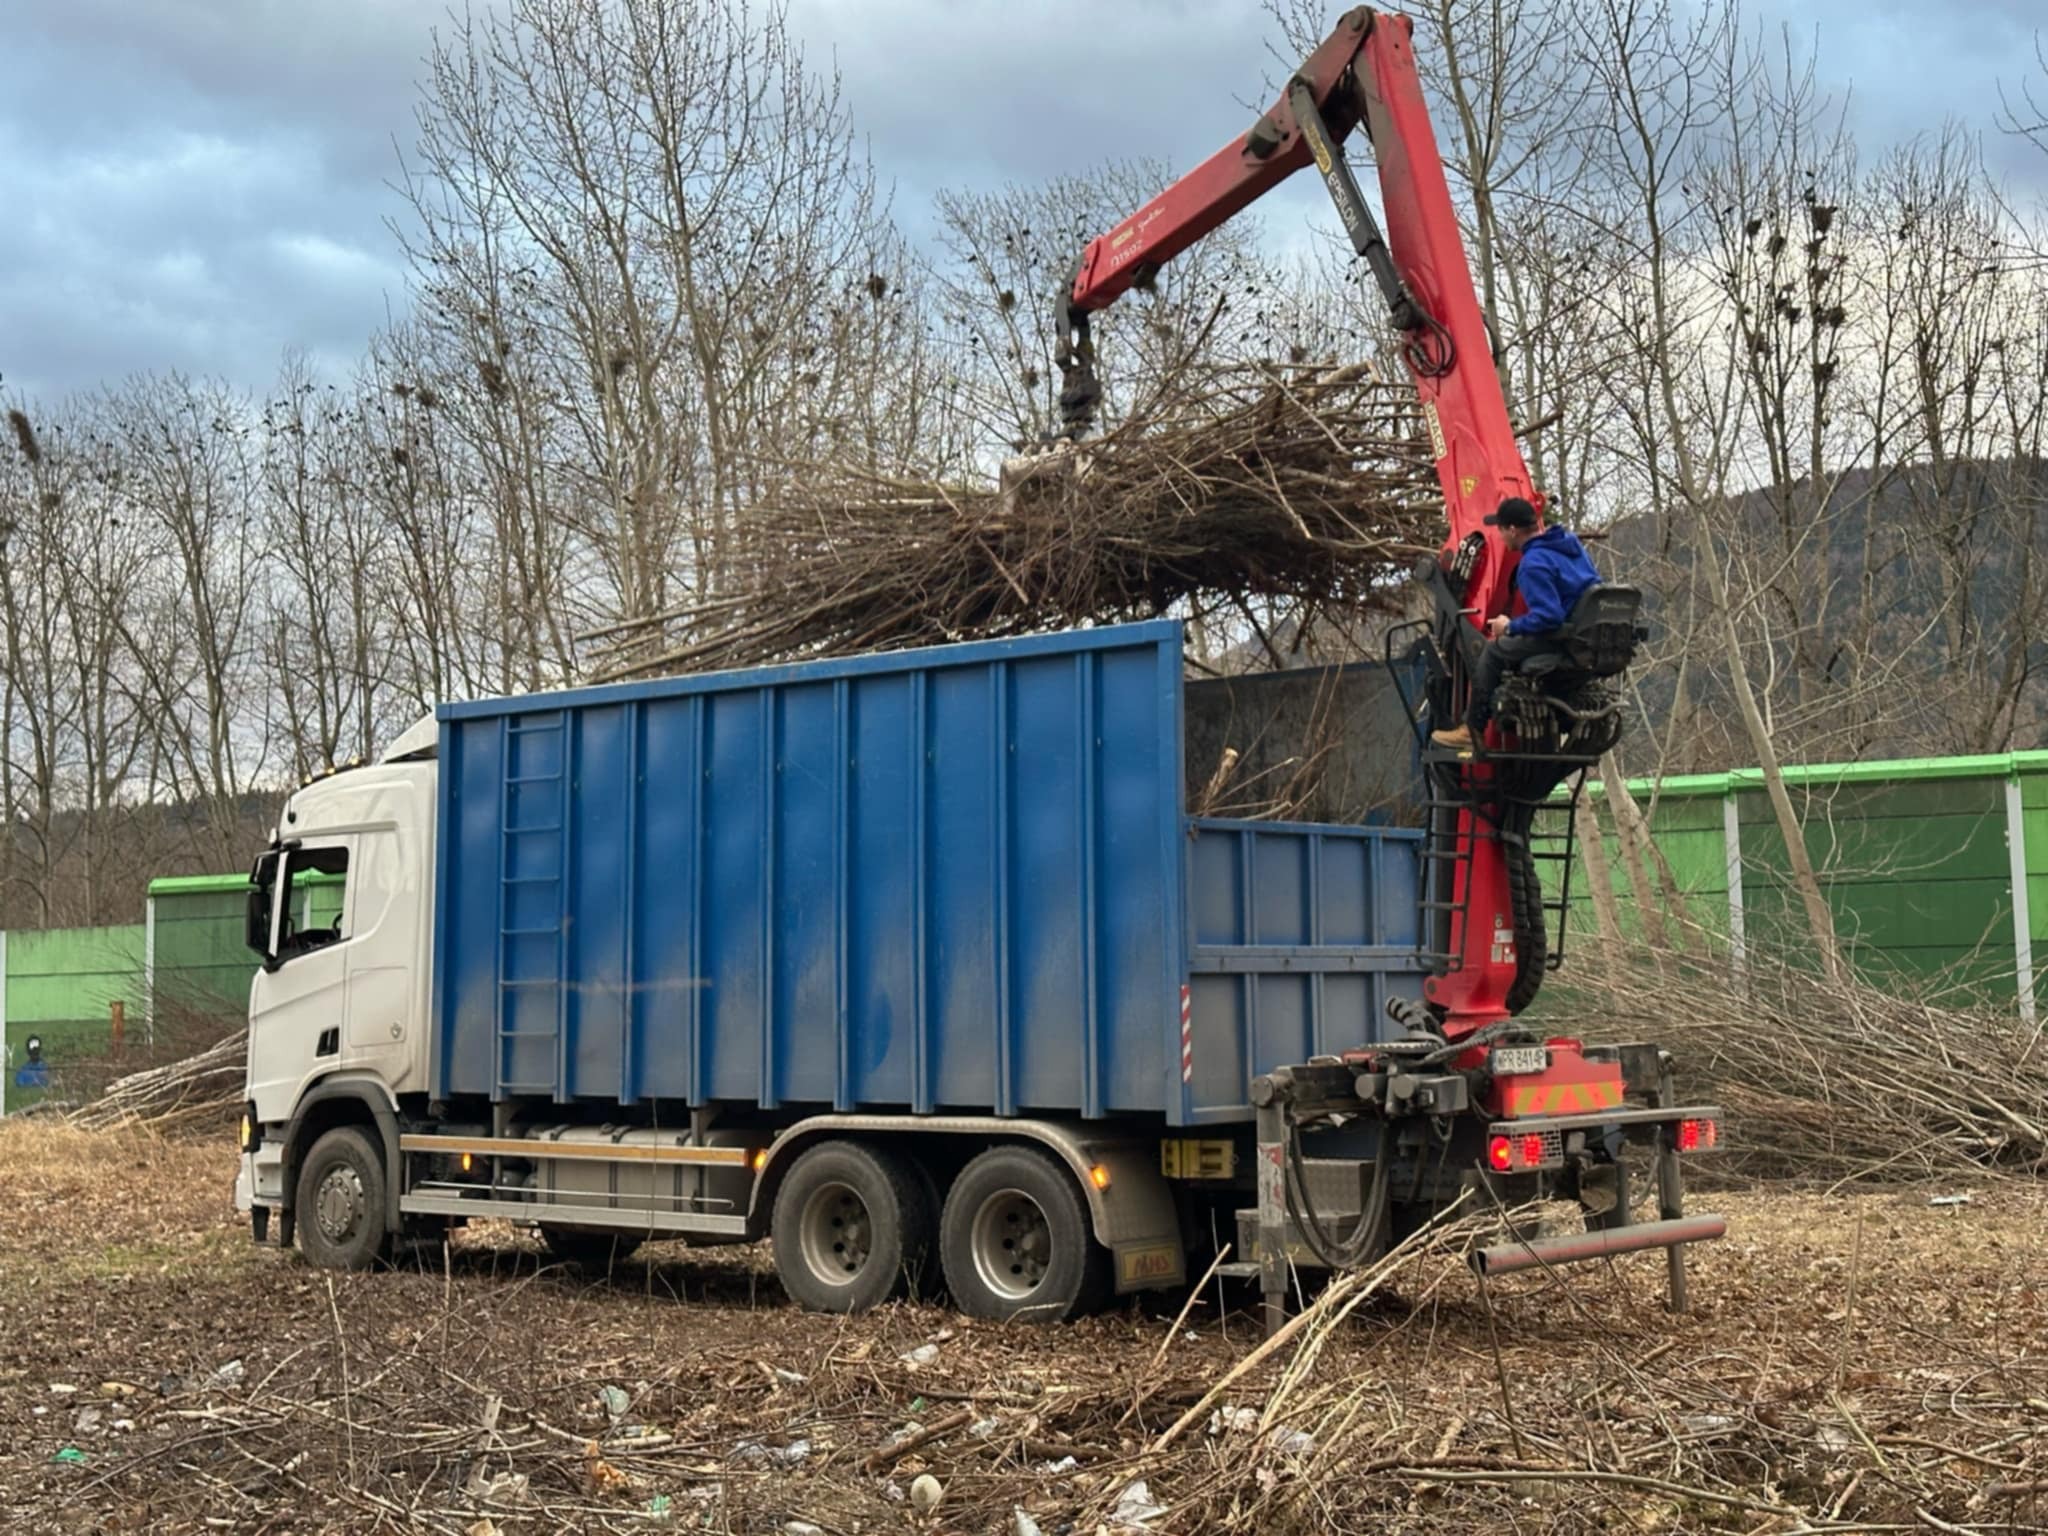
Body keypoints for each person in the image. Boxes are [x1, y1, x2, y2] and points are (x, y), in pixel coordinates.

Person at [1430, 496, 1601, 752]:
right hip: (1589, 639)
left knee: (1493, 651)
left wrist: (1509, 626)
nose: (1499, 537)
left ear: (1512, 529)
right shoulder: (1571, 547)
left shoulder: (1533, 563)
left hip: (1563, 639)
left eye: (1500, 530)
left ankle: (1471, 729)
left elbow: (1549, 616)